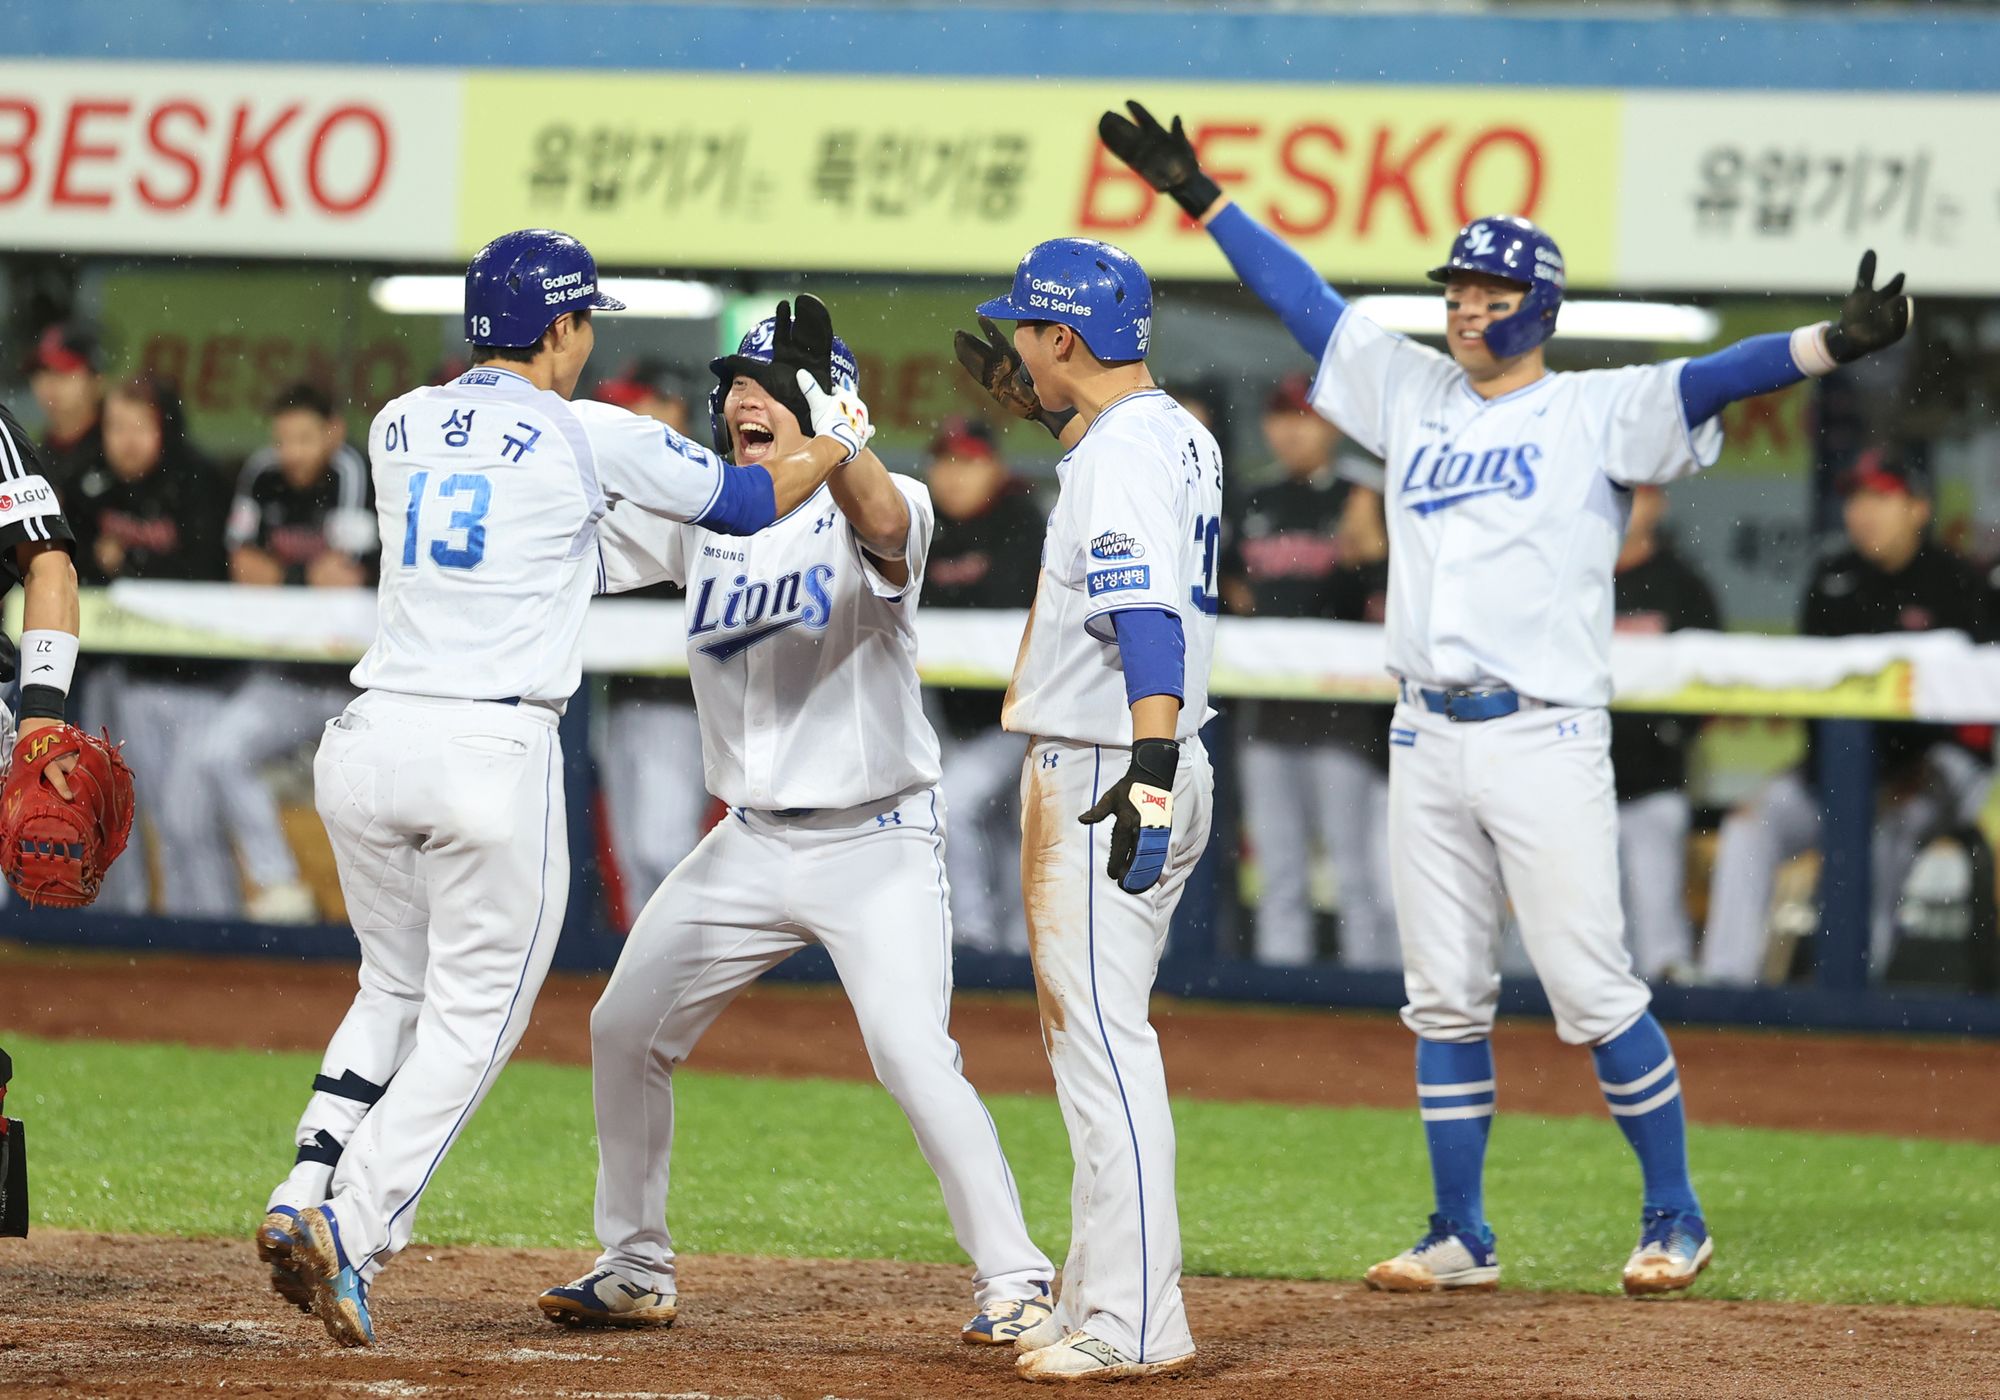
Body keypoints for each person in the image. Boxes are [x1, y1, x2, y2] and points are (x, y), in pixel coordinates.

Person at [1098, 97, 1911, 1297]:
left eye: (1486, 290)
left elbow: (1709, 378)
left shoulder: (1591, 407)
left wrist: (1826, 344)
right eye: (1456, 287)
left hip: (1541, 733)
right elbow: (1303, 301)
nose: (1463, 304)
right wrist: (1198, 195)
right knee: (1440, 997)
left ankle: (1674, 1212)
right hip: (1424, 729)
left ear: (1536, 305)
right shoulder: (1409, 390)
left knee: (1590, 987)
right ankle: (1458, 1231)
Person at [254, 229, 871, 1348]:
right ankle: (352, 1225)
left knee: (392, 986)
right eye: (584, 320)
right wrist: (837, 441)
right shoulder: (585, 429)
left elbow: (553, 545)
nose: (588, 340)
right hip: (485, 749)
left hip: (370, 738)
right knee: (472, 1022)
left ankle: (303, 1186)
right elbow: (745, 503)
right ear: (559, 326)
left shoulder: (395, 422)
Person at [536, 310, 1054, 1347]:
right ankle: (635, 1264)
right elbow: (570, 550)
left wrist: (845, 442)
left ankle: (1017, 1277)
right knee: (622, 1027)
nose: (740, 398)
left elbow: (886, 520)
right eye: (734, 382)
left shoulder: (879, 499)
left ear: (823, 404)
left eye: (767, 384)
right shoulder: (707, 514)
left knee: (911, 1054)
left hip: (875, 840)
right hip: (749, 842)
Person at [957, 236, 1222, 1382]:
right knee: (1098, 1044)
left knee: (1105, 1048)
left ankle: (1136, 1319)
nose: (1013, 347)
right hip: (1141, 752)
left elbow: (1144, 613)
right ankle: (1100, 1292)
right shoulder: (1174, 431)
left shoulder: (1119, 453)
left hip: (1114, 762)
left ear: (1061, 336)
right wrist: (1062, 417)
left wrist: (1147, 763)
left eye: (1026, 328)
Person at [1701, 452, 1993, 985]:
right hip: (1845, 768)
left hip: (1938, 766)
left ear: (1918, 508)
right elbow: (1814, 698)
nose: (1863, 512)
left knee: (1881, 834)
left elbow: (1978, 715)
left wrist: (1917, 771)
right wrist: (1828, 775)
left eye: (1881, 497)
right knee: (1749, 826)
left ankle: (1851, 989)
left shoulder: (1957, 582)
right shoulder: (1833, 578)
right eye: (1856, 498)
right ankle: (1726, 984)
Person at [167, 383, 377, 922]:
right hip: (286, 674)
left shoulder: (355, 470)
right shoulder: (263, 472)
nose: (293, 452)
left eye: (306, 438)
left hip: (356, 683)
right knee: (218, 753)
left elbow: (345, 576)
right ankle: (280, 885)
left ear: (333, 431)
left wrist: (280, 575)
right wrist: (304, 576)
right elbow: (243, 568)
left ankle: (380, 909)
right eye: (284, 439)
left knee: (374, 795)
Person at [1222, 372, 1395, 968]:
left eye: (1305, 417)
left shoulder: (1361, 493)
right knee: (1278, 867)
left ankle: (1368, 990)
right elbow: (1228, 586)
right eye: (1281, 417)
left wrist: (1370, 557)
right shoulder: (1252, 498)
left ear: (1330, 425)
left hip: (1345, 709)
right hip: (1266, 708)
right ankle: (1281, 992)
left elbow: (1385, 595)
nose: (1292, 431)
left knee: (1354, 867)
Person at [67, 376, 229, 914]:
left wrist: (131, 563)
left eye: (141, 426)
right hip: (128, 676)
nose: (127, 440)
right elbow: (68, 564)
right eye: (116, 426)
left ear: (166, 428)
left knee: (188, 813)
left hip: (202, 681)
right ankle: (128, 924)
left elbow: (207, 570)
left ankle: (212, 925)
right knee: (121, 809)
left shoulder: (198, 479)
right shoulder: (90, 480)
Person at [588, 360, 712, 919]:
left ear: (673, 408)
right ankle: (649, 970)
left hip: (683, 702)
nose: (626, 416)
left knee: (665, 851)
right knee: (633, 858)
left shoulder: (705, 481)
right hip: (624, 695)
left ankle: (692, 962)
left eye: (638, 404)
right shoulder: (621, 483)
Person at [922, 416, 1046, 954]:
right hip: (950, 711)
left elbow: (997, 600)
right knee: (990, 824)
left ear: (994, 467)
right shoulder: (923, 523)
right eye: (945, 461)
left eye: (968, 462)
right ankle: (997, 945)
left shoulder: (1021, 518)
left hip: (1019, 713)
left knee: (963, 807)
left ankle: (977, 938)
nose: (954, 475)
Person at [1611, 487, 1721, 981]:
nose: (1628, 503)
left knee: (1660, 937)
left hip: (1653, 784)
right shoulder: (1570, 574)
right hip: (1574, 779)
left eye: (1639, 492)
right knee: (1576, 936)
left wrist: (1669, 734)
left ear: (1659, 504)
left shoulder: (1682, 584)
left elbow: (1715, 682)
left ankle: (1672, 1012)